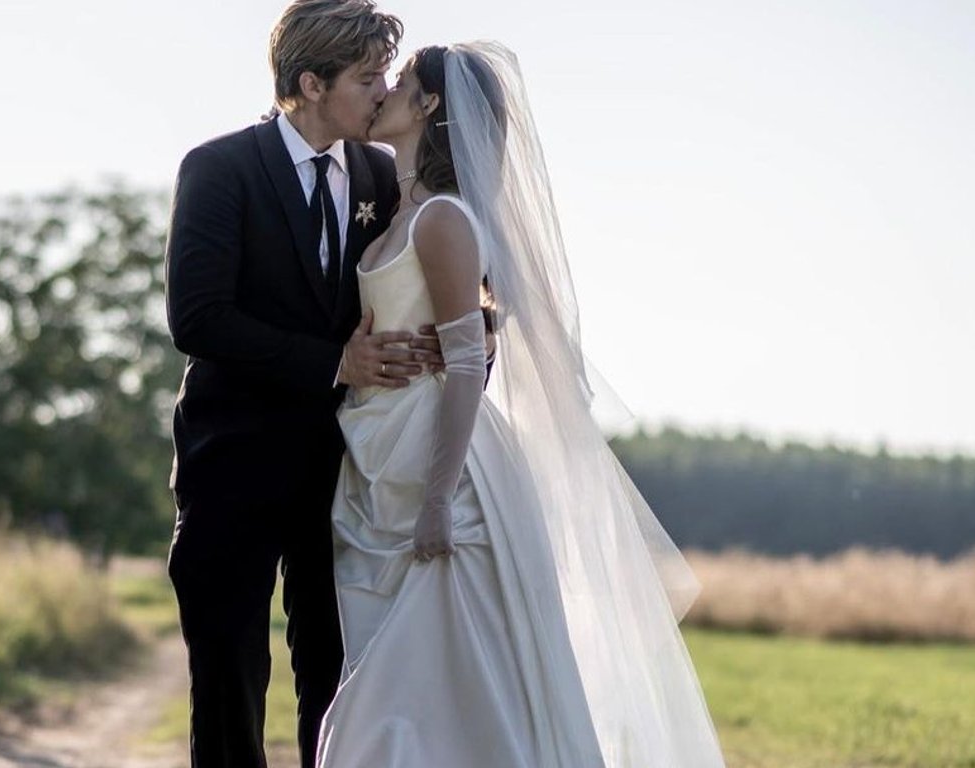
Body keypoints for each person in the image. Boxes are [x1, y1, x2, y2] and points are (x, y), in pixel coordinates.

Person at [316, 42, 729, 767]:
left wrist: (438, 498)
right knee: (419, 697)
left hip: (442, 473)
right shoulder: (397, 210)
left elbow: (466, 363)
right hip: (379, 460)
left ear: (430, 103)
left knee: (413, 705)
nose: (383, 92)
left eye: (400, 81)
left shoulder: (442, 219)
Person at [162, 2, 438, 766]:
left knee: (337, 681)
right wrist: (333, 364)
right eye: (367, 77)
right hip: (230, 468)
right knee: (228, 683)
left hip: (343, 475)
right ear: (312, 84)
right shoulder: (219, 168)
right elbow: (198, 316)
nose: (383, 92)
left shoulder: (382, 173)